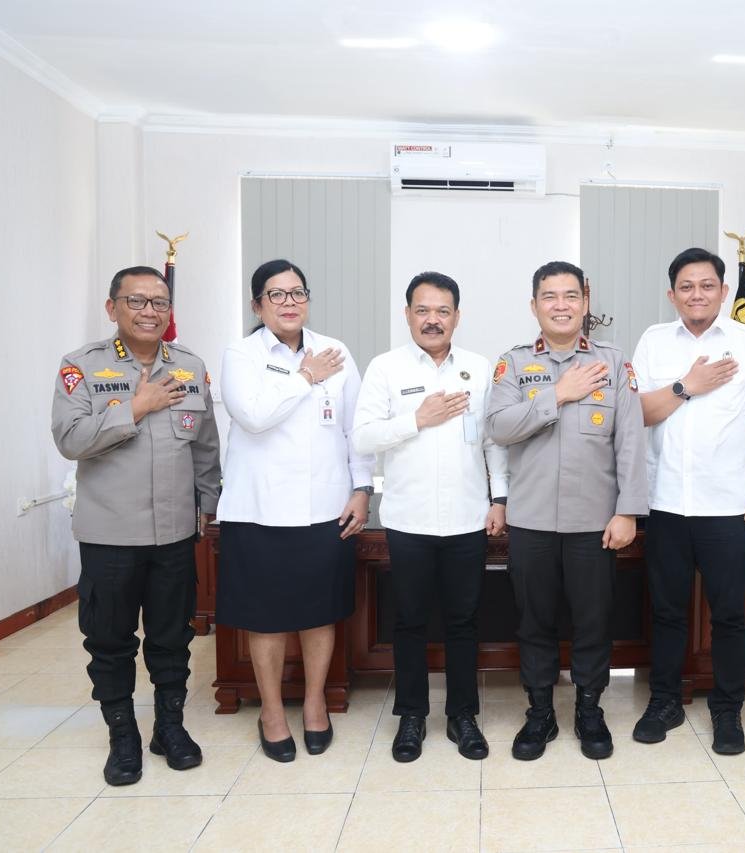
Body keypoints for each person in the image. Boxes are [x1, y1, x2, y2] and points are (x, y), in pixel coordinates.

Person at [52, 265, 220, 786]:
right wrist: (135, 407)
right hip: (110, 535)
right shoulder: (81, 366)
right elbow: (70, 439)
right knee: (110, 641)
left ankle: (169, 727)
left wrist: (209, 503)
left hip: (174, 534)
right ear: (113, 308)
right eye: (137, 301)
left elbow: (205, 446)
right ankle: (122, 735)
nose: (150, 311)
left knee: (172, 639)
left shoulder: (189, 367)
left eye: (159, 302)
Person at [486, 261, 647, 761]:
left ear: (585, 302)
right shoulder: (513, 364)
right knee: (533, 622)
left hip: (594, 522)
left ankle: (589, 709)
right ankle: (540, 712)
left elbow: (631, 441)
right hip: (531, 519)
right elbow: (499, 427)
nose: (561, 305)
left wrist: (628, 511)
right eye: (550, 296)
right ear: (534, 305)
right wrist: (557, 394)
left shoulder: (613, 362)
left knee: (593, 621)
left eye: (570, 295)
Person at [215, 259, 374, 762]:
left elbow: (355, 429)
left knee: (318, 613)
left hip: (324, 506)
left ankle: (314, 703)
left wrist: (362, 488)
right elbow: (253, 416)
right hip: (258, 508)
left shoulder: (335, 351)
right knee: (264, 618)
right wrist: (305, 376)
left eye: (297, 292)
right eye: (276, 294)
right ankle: (270, 712)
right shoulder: (241, 354)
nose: (289, 302)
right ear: (257, 305)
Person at [629, 247, 745, 755]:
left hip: (727, 506)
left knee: (730, 614)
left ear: (723, 290)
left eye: (707, 285)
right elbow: (639, 413)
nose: (698, 294)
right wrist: (686, 386)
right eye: (687, 286)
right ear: (672, 294)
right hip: (666, 502)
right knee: (666, 612)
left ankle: (727, 708)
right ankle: (665, 701)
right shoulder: (653, 341)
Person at [352, 272, 508, 763]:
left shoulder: (479, 368)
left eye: (443, 311)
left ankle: (463, 716)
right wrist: (417, 419)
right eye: (423, 310)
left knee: (464, 622)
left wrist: (499, 498)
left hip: (467, 517)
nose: (433, 320)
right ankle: (412, 717)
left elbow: (493, 441)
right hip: (409, 520)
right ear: (408, 315)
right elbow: (363, 437)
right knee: (410, 622)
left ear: (457, 317)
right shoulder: (386, 368)